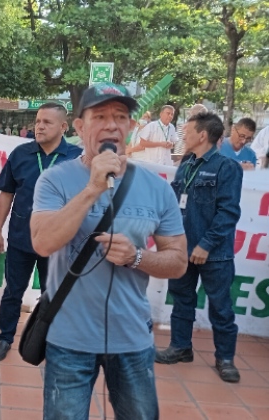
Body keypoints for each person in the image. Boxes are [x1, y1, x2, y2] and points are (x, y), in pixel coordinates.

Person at [31, 83, 188, 419]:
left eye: (120, 116)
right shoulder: (54, 181)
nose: (111, 125)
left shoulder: (159, 189)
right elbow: (42, 243)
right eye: (99, 116)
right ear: (80, 127)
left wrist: (138, 257)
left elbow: (177, 262)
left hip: (132, 339)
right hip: (68, 339)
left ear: (131, 127)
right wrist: (92, 189)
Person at [0, 102, 82, 361]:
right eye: (38, 121)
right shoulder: (20, 154)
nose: (39, 126)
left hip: (57, 242)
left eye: (47, 122)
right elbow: (6, 194)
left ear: (63, 127)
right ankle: (4, 338)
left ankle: (52, 342)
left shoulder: (77, 159)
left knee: (54, 294)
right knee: (13, 292)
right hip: (21, 238)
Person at [156, 112, 243, 383]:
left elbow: (228, 213)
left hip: (214, 254)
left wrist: (206, 245)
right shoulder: (186, 164)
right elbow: (173, 203)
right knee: (182, 300)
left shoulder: (227, 167)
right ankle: (181, 347)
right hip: (183, 248)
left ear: (203, 135)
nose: (184, 135)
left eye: (188, 130)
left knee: (220, 306)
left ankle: (225, 358)